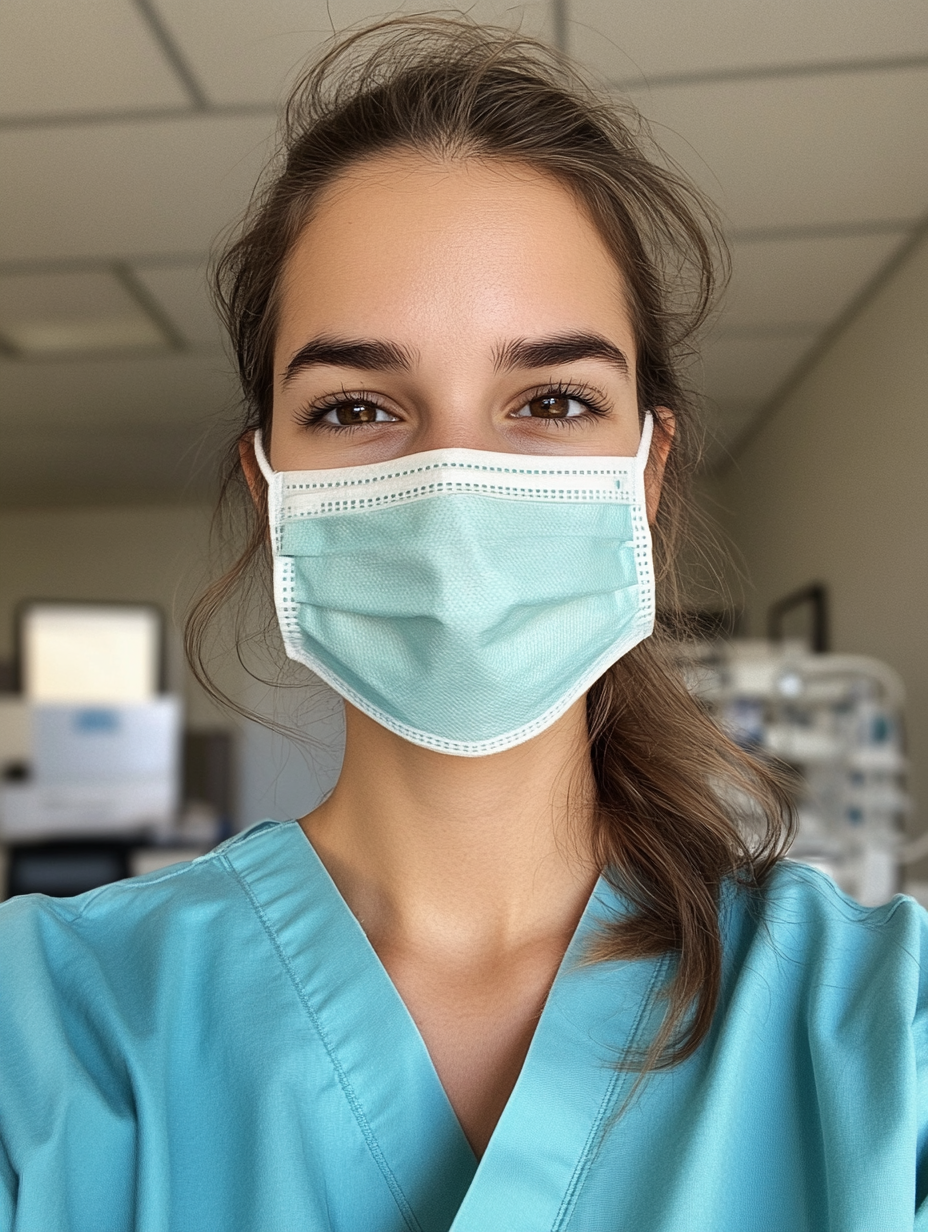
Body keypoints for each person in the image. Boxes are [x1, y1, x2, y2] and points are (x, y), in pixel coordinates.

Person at [1, 17, 926, 1232]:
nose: (452, 487)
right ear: (270, 486)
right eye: (355, 407)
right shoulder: (49, 1034)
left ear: (642, 476)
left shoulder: (881, 1031)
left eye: (549, 398)